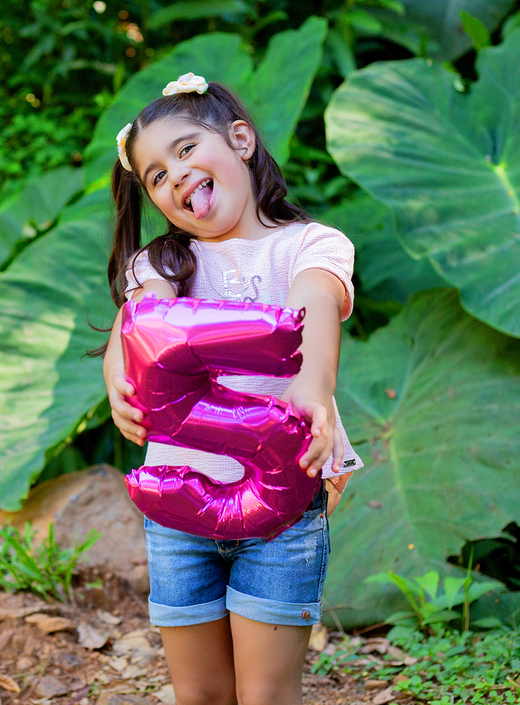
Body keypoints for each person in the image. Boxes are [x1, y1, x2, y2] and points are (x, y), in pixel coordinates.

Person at [101, 72, 360, 705]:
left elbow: (314, 311)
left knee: (266, 695)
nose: (175, 175)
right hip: (179, 502)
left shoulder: (310, 245)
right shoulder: (161, 265)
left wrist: (313, 387)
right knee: (201, 694)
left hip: (283, 504)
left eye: (186, 150)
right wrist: (117, 380)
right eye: (156, 175)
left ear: (240, 140)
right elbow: (136, 330)